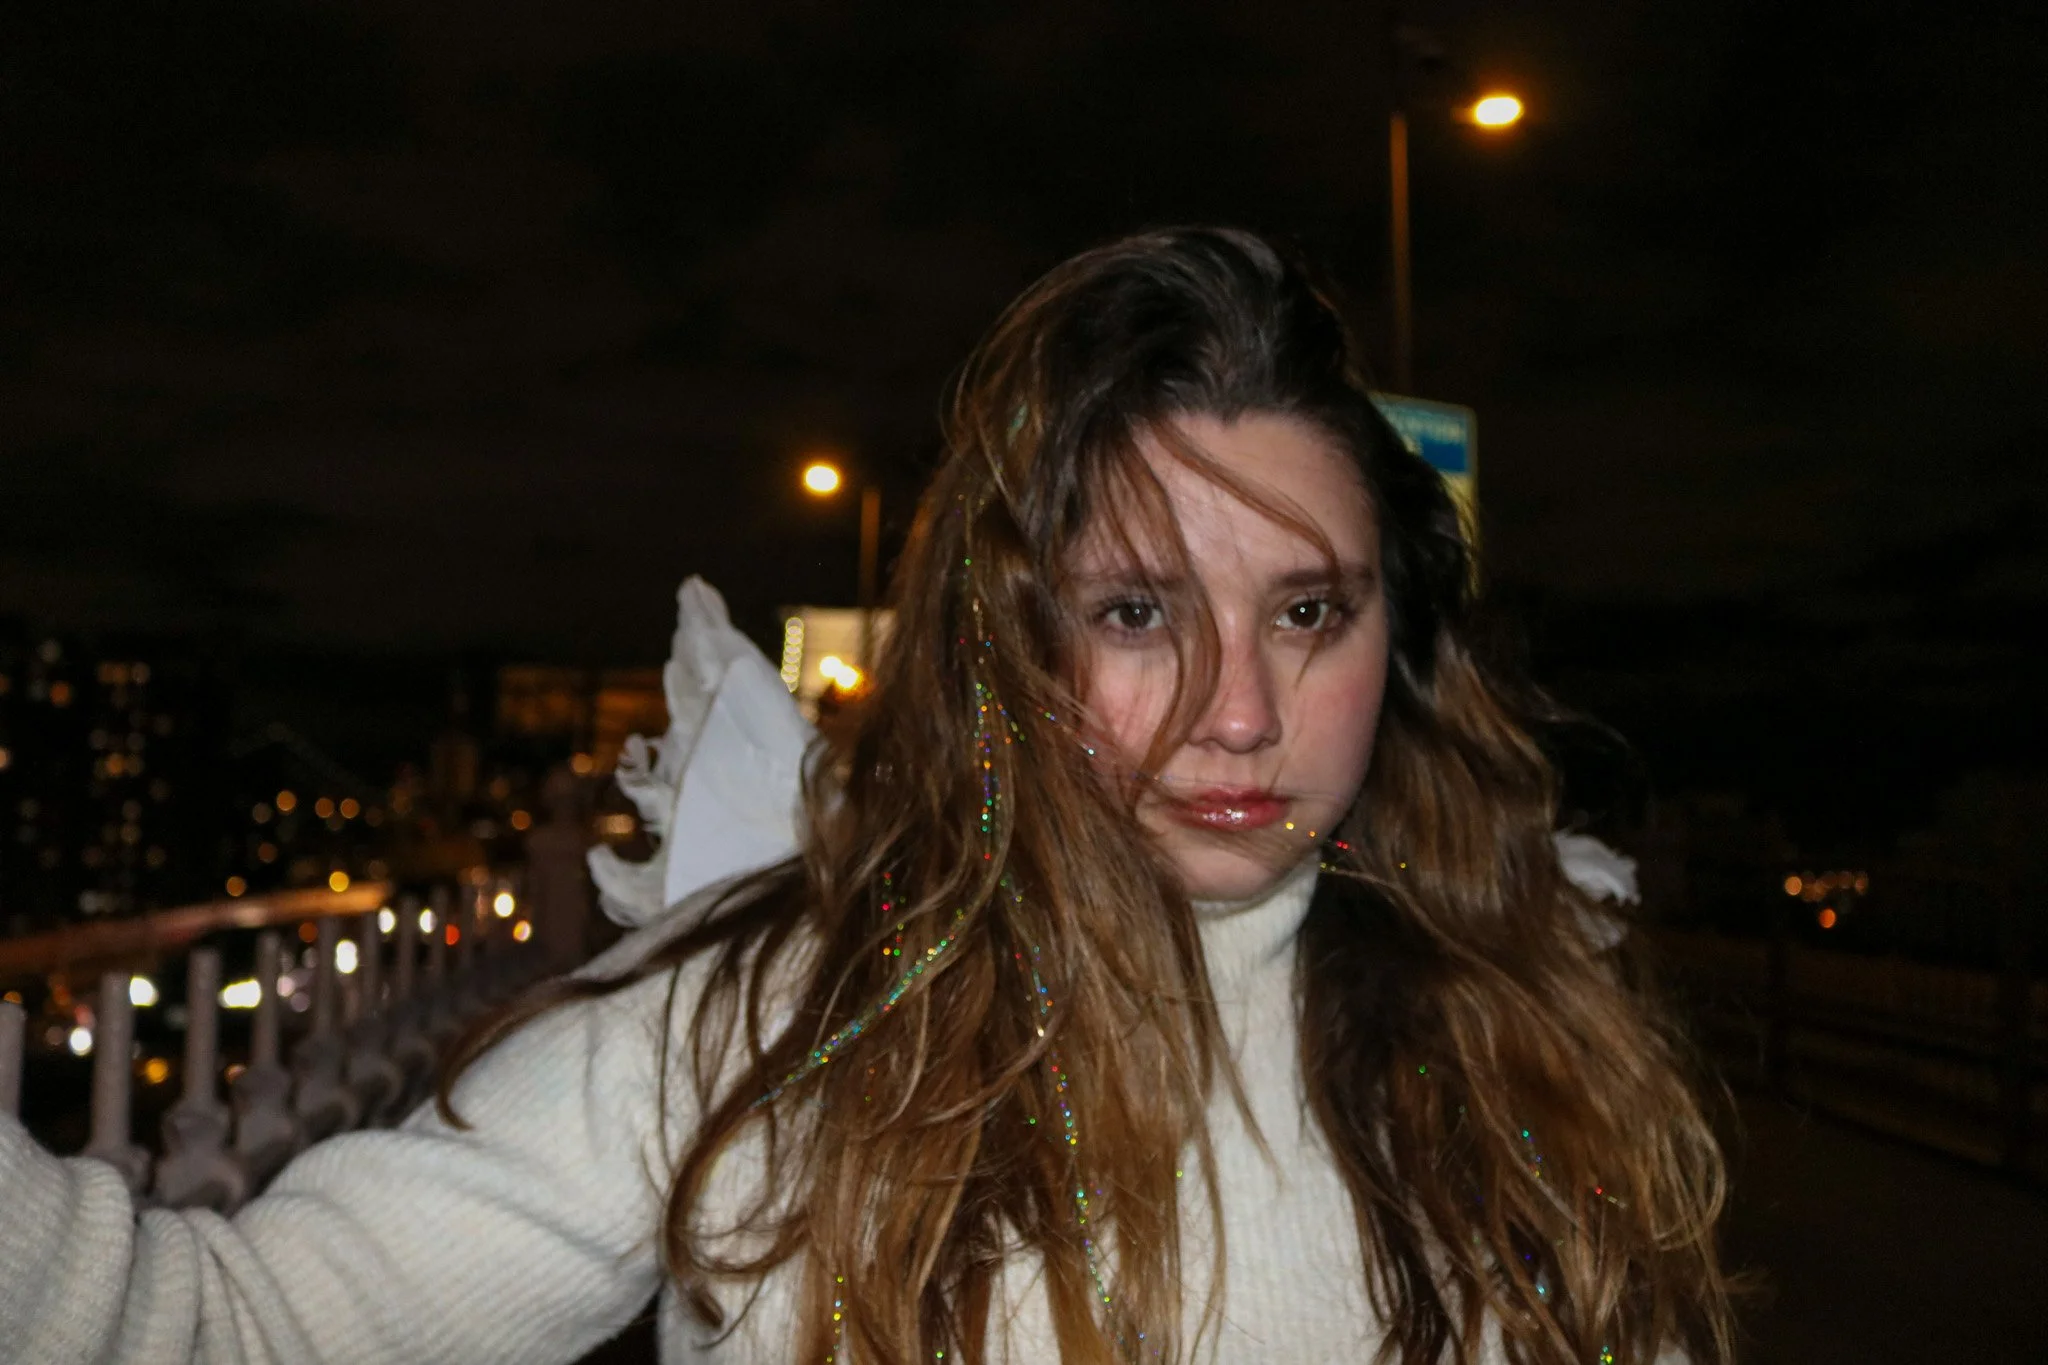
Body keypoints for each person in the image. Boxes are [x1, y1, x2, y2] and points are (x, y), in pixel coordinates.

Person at [0, 227, 1732, 1364]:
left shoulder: (1533, 1039)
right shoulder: (770, 1016)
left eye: (1307, 613)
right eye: (1139, 613)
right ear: (1010, 647)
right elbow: (239, 1329)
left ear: (1396, 641)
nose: (1239, 712)